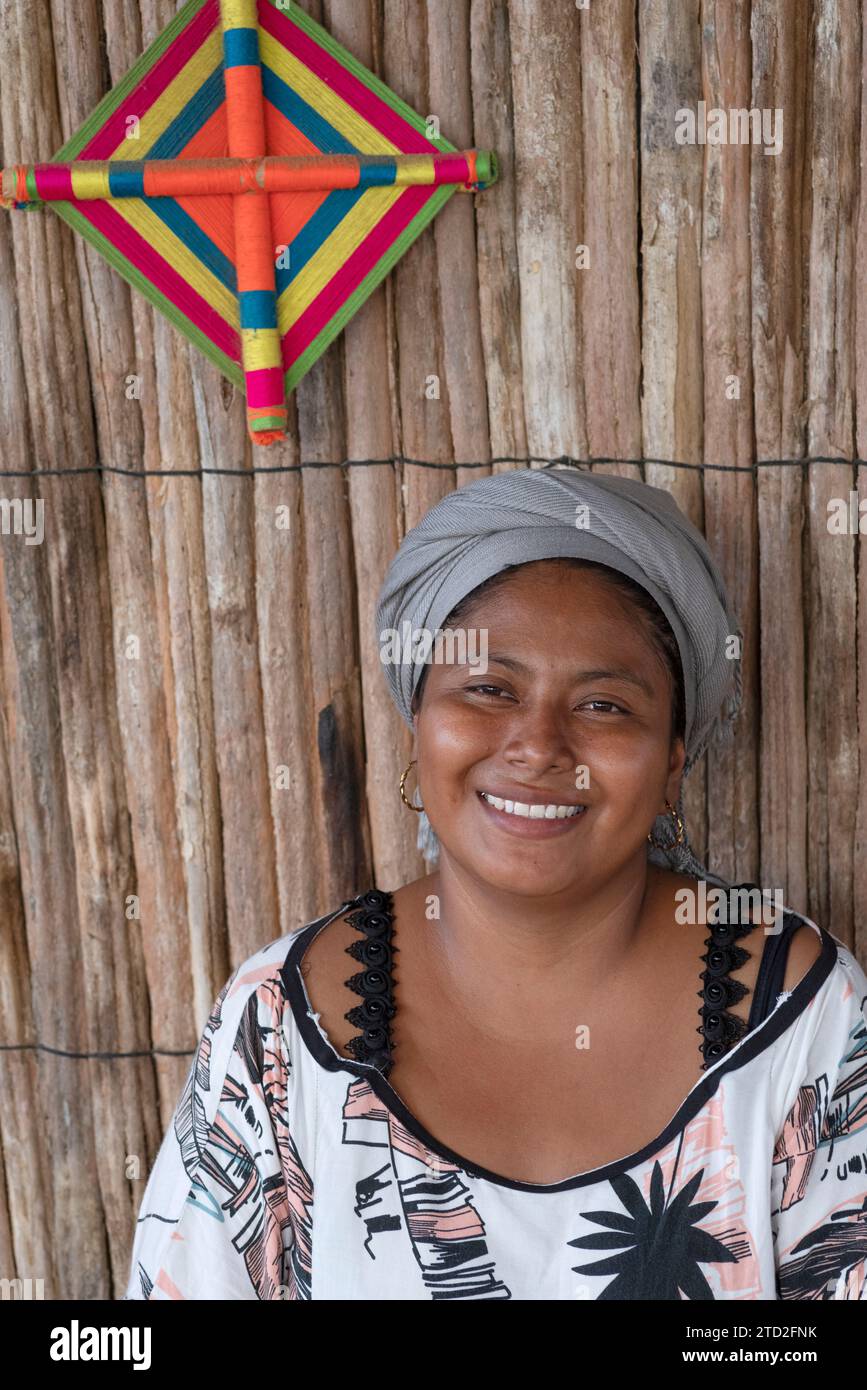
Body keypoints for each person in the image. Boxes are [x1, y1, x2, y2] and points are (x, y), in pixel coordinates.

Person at [123, 465, 867, 1301]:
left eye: (604, 706)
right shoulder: (283, 1025)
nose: (537, 744)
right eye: (488, 689)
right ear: (418, 728)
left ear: (669, 765)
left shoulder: (801, 1021)